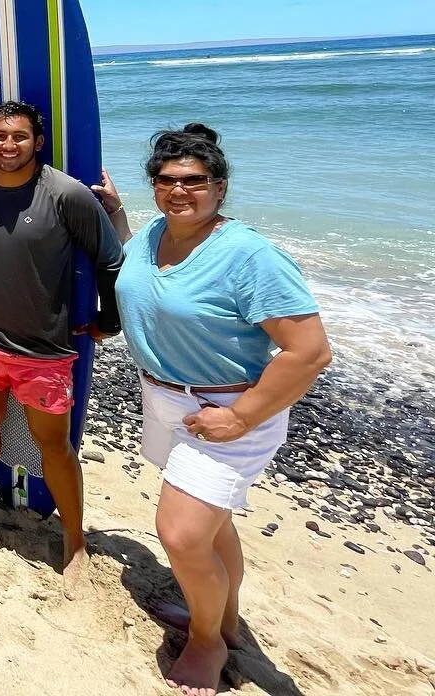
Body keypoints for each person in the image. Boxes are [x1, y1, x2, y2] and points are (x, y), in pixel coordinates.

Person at [95, 125, 331, 696]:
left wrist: (242, 417)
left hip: (224, 411)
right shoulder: (155, 235)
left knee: (179, 534)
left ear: (220, 187)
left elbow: (309, 351)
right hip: (166, 401)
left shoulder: (248, 255)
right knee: (212, 525)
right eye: (167, 180)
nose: (180, 190)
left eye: (195, 181)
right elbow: (136, 271)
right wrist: (117, 216)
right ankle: (223, 620)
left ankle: (208, 643)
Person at [0, 99, 123, 598]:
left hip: (43, 350)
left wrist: (111, 319)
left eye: (19, 136)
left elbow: (109, 258)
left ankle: (75, 542)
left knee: (54, 445)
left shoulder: (66, 194)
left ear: (38, 141)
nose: (9, 144)